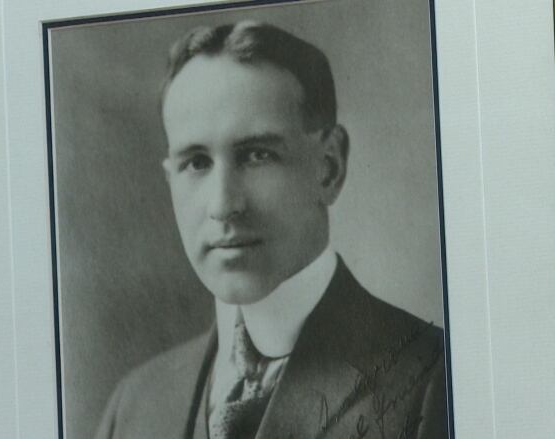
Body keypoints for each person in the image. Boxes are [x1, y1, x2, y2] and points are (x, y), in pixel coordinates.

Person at [95, 20, 448, 439]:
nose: (224, 205)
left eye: (257, 155)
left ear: (329, 167)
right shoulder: (135, 404)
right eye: (196, 162)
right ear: (170, 177)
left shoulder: (435, 378)